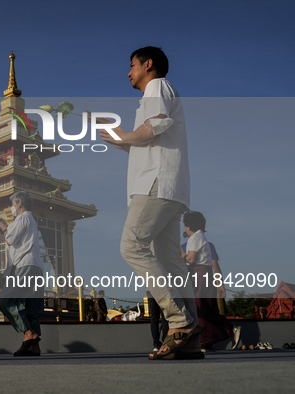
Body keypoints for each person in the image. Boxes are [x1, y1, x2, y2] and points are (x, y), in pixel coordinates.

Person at [100, 46, 202, 360]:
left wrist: (124, 135)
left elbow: (155, 126)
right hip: (169, 187)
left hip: (154, 184)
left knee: (131, 246)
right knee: (172, 264)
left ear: (148, 64)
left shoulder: (157, 86)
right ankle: (191, 340)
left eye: (131, 65)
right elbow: (148, 140)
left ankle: (179, 321)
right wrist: (121, 139)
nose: (128, 72)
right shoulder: (156, 95)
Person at [181, 211, 240, 351]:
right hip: (206, 275)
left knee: (197, 308)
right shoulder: (203, 238)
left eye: (185, 225)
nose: (184, 228)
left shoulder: (194, 239)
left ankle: (223, 332)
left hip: (198, 274)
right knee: (206, 308)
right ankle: (207, 341)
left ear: (189, 225)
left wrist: (182, 254)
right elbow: (215, 265)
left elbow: (191, 260)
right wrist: (221, 284)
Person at [0, 191, 44, 357]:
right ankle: (34, 347)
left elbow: (9, 239)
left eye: (13, 204)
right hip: (36, 266)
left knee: (6, 299)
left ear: (19, 204)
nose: (12, 207)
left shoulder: (22, 218)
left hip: (24, 265)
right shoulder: (31, 220)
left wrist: (3, 228)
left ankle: (28, 333)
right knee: (31, 307)